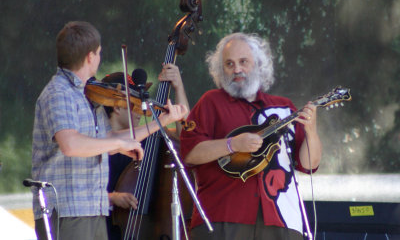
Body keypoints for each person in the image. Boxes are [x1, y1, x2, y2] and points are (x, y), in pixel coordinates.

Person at [31, 21, 187, 240]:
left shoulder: (86, 96)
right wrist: (118, 145)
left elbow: (109, 138)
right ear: (89, 57)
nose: (99, 57)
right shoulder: (59, 94)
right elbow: (70, 144)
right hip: (68, 209)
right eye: (99, 53)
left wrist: (161, 121)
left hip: (92, 209)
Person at [180, 32, 322, 240]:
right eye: (229, 64)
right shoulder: (211, 102)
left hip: (282, 221)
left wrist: (311, 132)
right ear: (221, 70)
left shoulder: (283, 108)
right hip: (223, 219)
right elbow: (190, 153)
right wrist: (232, 144)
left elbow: (309, 165)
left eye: (243, 62)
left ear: (258, 64)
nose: (237, 69)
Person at [103, 64, 190, 239]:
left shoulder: (149, 141)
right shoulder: (97, 144)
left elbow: (187, 139)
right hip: (108, 230)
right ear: (117, 107)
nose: (140, 110)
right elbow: (82, 192)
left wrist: (178, 86)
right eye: (133, 104)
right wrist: (112, 197)